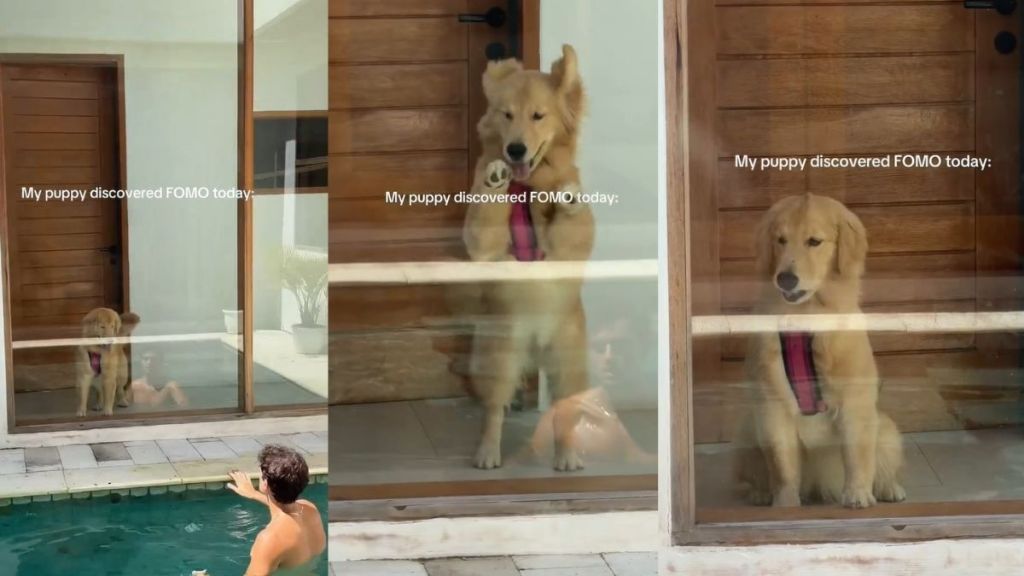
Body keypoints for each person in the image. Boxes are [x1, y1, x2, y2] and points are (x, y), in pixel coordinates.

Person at [226, 445, 326, 575]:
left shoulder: (270, 538)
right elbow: (285, 507)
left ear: (265, 483)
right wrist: (253, 494)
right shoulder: (310, 510)